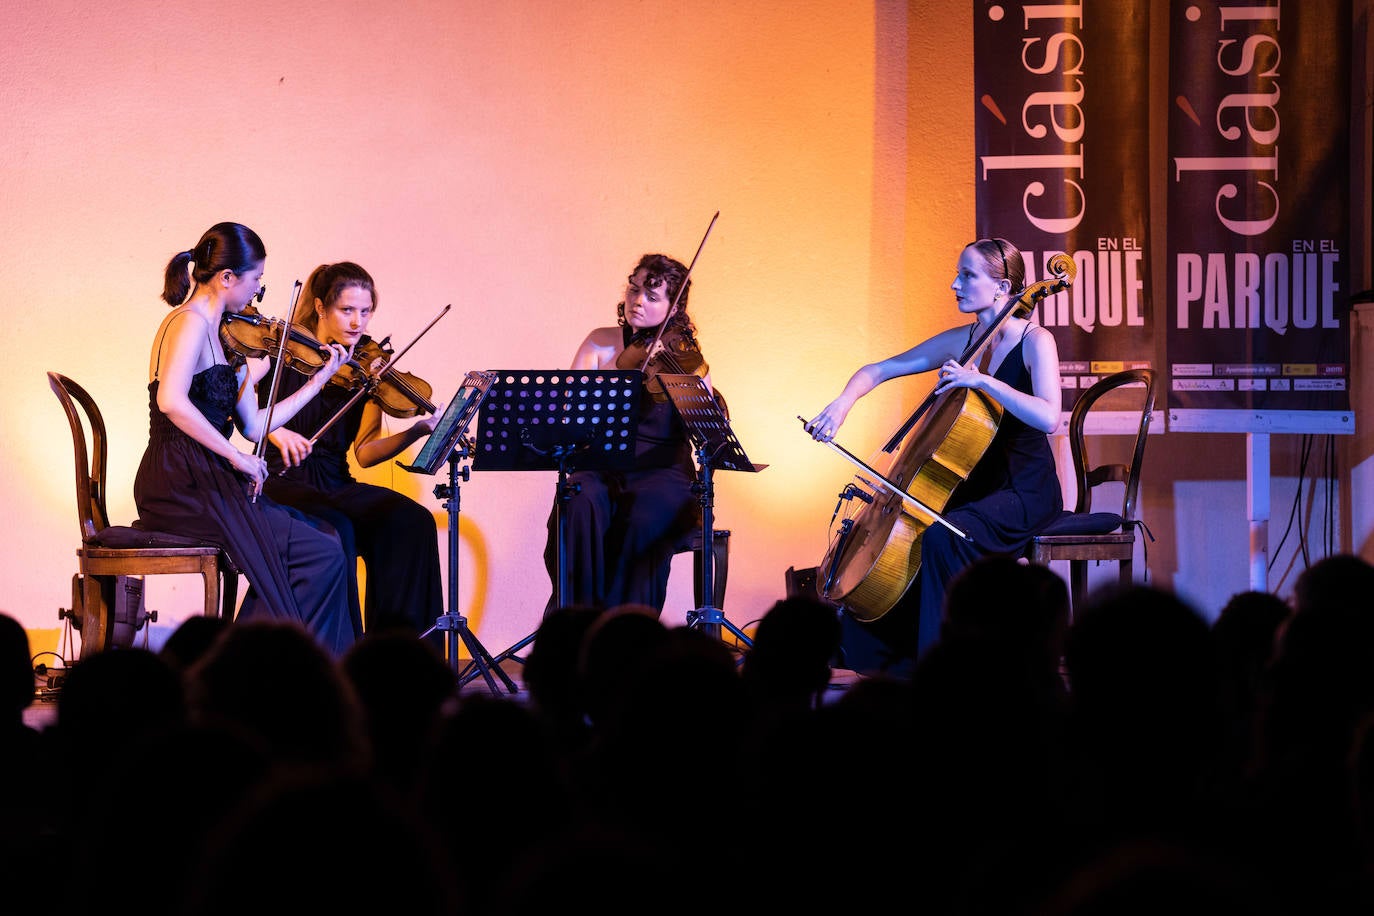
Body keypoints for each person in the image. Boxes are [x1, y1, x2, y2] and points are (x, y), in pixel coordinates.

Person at [805, 237, 1063, 659]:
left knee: (941, 539)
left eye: (967, 275)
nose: (954, 284)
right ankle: (889, 658)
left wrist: (982, 381)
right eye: (958, 273)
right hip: (974, 489)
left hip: (1023, 492)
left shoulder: (1036, 340)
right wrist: (842, 404)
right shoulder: (966, 340)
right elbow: (881, 369)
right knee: (904, 540)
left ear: (1002, 287)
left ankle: (945, 663)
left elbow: (1050, 417)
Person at [134, 221, 355, 657]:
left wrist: (319, 379)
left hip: (207, 476)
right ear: (227, 278)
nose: (258, 292)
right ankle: (259, 666)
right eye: (256, 280)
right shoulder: (188, 323)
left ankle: (259, 663)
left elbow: (256, 426)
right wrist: (236, 457)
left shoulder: (223, 334)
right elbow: (171, 402)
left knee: (328, 541)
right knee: (322, 556)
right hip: (181, 481)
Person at [242, 261, 444, 642]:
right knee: (340, 528)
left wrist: (415, 431)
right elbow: (245, 414)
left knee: (412, 523)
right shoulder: (281, 352)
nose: (358, 323)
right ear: (320, 307)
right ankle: (343, 655)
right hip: (283, 482)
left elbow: (365, 453)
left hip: (335, 483)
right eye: (347, 310)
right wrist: (276, 432)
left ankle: (400, 656)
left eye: (365, 312)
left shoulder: (364, 371)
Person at [542, 253, 708, 615]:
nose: (637, 302)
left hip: (663, 469)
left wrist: (686, 381)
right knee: (578, 499)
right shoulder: (601, 341)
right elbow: (570, 408)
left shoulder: (683, 356)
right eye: (634, 290)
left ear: (673, 308)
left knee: (644, 518)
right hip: (603, 463)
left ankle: (628, 635)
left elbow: (708, 417)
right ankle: (577, 621)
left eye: (652, 297)